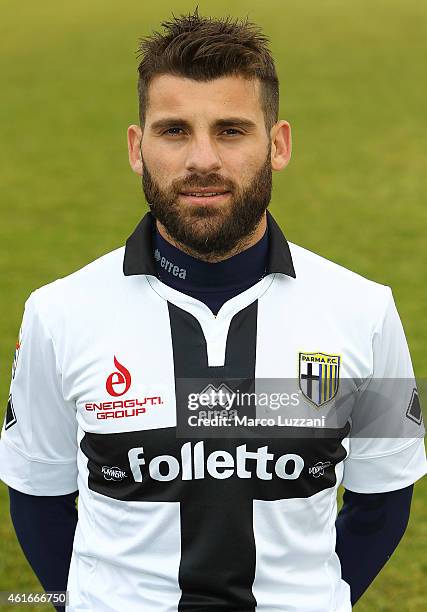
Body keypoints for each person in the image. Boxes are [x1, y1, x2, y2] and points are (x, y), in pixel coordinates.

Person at [1, 8, 426, 612]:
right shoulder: (58, 313)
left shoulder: (365, 310)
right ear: (136, 147)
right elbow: (38, 498)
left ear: (277, 145)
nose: (202, 159)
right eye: (174, 131)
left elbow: (384, 498)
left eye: (231, 130)